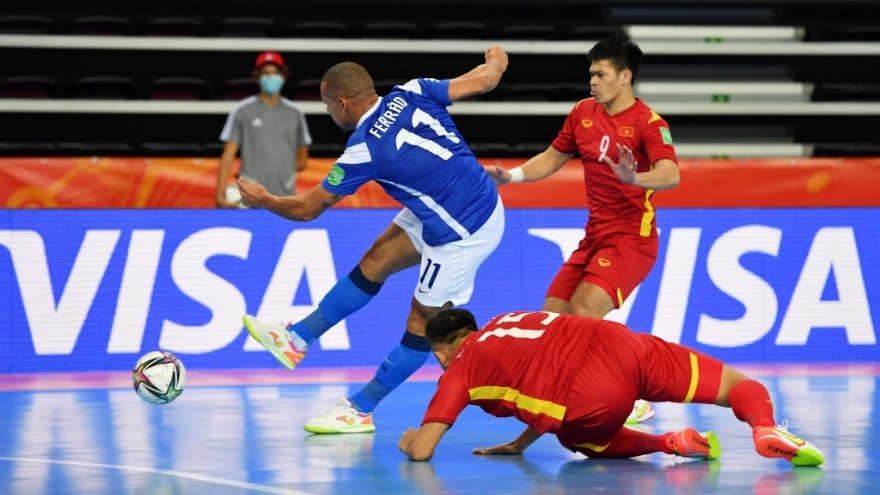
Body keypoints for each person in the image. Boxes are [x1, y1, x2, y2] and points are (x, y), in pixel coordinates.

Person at [237, 46, 510, 434]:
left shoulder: (365, 148)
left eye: (328, 106)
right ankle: (296, 338)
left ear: (344, 103)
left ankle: (360, 409)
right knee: (377, 258)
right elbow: (485, 79)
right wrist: (497, 59)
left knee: (422, 321)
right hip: (453, 201)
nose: (329, 114)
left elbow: (307, 209)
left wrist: (264, 200)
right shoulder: (412, 90)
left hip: (464, 231)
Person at [484, 31, 680, 425]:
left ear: (625, 77)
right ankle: (568, 400)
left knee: (585, 311)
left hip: (632, 240)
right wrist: (514, 176)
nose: (593, 81)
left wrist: (634, 177)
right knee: (553, 319)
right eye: (591, 73)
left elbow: (671, 174)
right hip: (593, 238)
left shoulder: (648, 123)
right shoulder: (582, 112)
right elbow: (554, 156)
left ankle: (631, 396)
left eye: (601, 74)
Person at [398, 308, 824, 468]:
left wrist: (409, 440)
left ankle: (668, 443)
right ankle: (764, 427)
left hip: (591, 395)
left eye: (437, 354)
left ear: (442, 351)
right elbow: (541, 374)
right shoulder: (509, 319)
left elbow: (423, 451)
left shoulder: (459, 371)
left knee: (581, 439)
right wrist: (521, 443)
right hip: (618, 342)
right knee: (735, 384)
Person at [216, 51, 312, 207]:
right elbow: (228, 154)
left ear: (283, 77)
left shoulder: (295, 112)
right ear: (257, 77)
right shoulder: (242, 110)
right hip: (249, 199)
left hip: (285, 199)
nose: (270, 77)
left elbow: (302, 161)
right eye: (266, 73)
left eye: (275, 73)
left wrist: (278, 171)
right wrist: (219, 196)